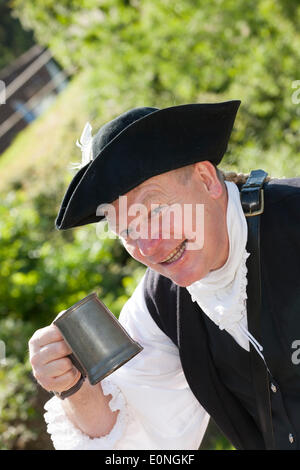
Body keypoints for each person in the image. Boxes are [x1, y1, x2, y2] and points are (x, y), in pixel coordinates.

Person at [28, 102, 300, 450]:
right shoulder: (159, 306)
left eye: (155, 211)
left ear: (205, 179)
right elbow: (136, 441)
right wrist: (73, 386)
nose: (148, 245)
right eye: (126, 230)